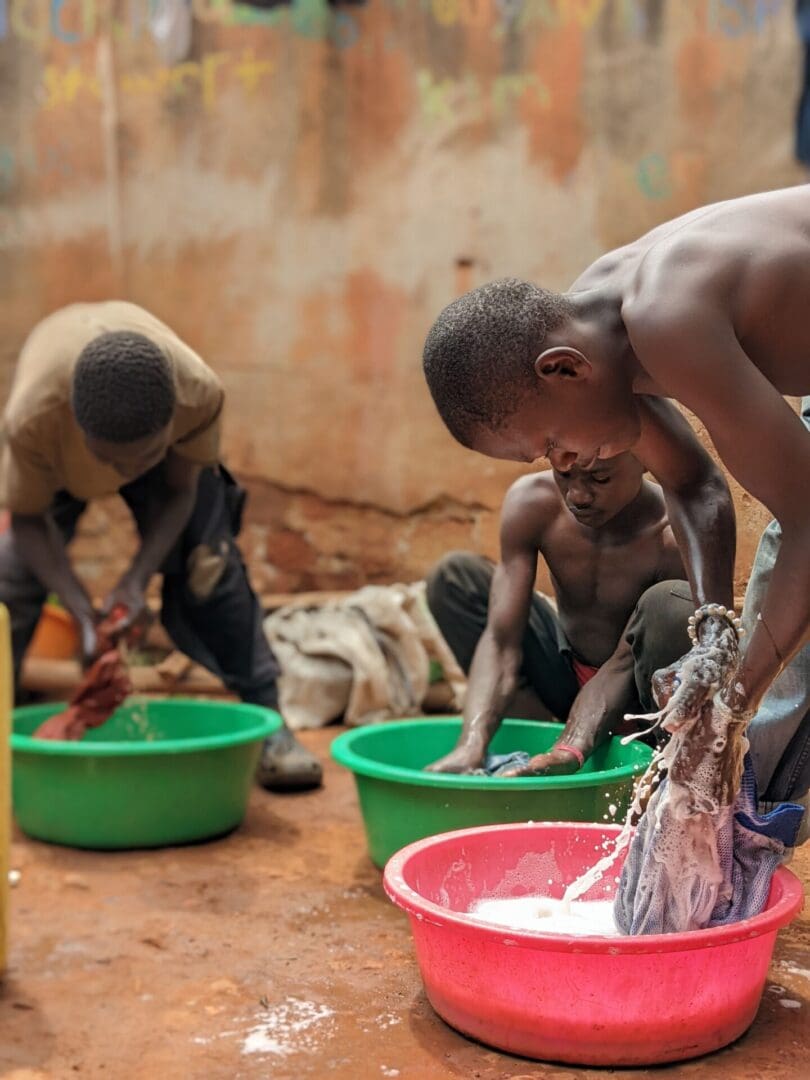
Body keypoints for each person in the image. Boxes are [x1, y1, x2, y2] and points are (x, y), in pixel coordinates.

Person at [422, 187, 810, 808]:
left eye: (551, 442)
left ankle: (749, 820)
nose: (566, 465)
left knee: (784, 652)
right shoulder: (602, 324)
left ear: (565, 370)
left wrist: (730, 707)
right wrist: (713, 636)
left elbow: (806, 521)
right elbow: (692, 480)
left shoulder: (667, 317)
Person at [0, 301, 321, 792]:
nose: (125, 474)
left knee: (209, 566)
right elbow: (26, 518)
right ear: (75, 426)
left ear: (172, 423)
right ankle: (11, 729)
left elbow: (179, 494)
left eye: (141, 457)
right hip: (58, 470)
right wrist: (80, 608)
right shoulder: (33, 419)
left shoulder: (199, 394)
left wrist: (134, 581)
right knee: (12, 580)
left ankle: (270, 717)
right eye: (111, 460)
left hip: (172, 475)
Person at [425, 452, 698, 774]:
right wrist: (470, 744)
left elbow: (623, 666)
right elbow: (501, 641)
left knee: (671, 605)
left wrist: (572, 747)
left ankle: (648, 758)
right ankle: (534, 745)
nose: (578, 495)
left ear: (645, 458)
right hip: (565, 676)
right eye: (564, 475)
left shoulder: (673, 534)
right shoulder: (535, 502)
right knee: (455, 577)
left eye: (600, 478)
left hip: (636, 698)